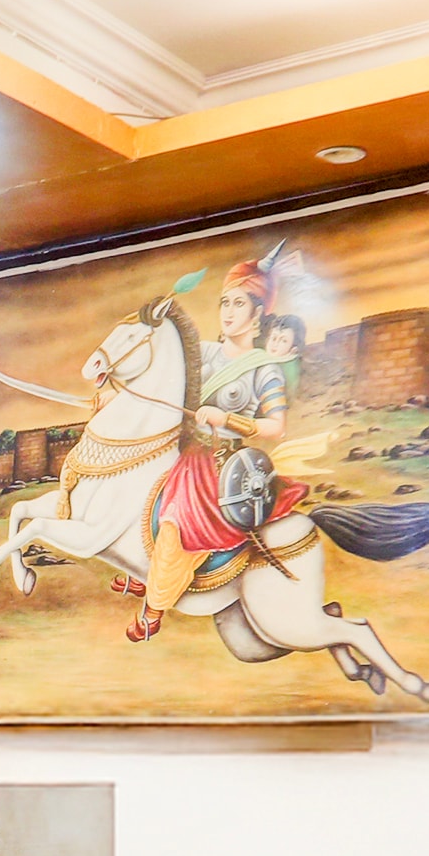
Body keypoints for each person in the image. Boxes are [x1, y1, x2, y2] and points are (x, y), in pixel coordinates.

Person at [132, 253, 305, 640]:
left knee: (176, 525)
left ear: (257, 314)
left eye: (238, 303)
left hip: (221, 465)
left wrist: (226, 418)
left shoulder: (264, 368)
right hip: (184, 452)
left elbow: (276, 426)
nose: (228, 311)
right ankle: (148, 575)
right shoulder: (205, 352)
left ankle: (154, 610)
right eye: (224, 302)